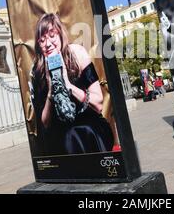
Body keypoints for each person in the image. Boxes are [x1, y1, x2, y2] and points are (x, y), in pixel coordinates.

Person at [30, 13, 114, 156]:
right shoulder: (37, 69)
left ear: (60, 34)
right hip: (58, 132)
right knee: (63, 138)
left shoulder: (77, 54)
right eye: (42, 40)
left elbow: (98, 104)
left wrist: (69, 86)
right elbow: (44, 122)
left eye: (52, 35)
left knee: (74, 134)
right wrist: (51, 91)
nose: (48, 43)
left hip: (88, 126)